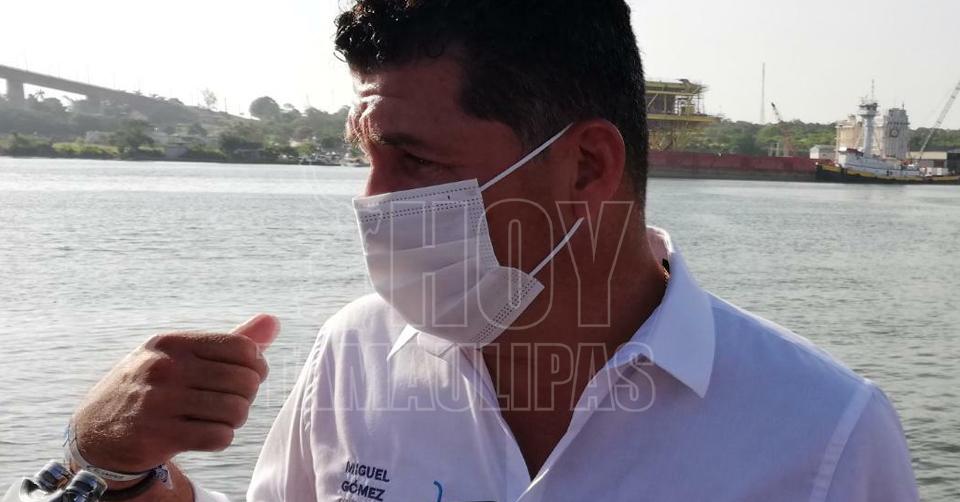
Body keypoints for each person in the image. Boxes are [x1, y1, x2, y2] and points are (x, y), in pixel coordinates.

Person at [61, 1, 919, 501]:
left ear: (586, 166)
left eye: (417, 161)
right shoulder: (354, 354)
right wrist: (114, 465)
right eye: (368, 159)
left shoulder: (824, 434)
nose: (372, 201)